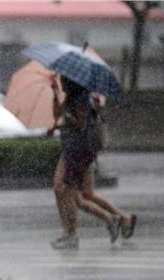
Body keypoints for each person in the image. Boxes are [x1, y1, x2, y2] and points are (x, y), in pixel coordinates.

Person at [48, 75, 136, 249]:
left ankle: (71, 234)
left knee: (66, 191)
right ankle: (117, 218)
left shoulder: (83, 98)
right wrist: (55, 94)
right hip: (76, 149)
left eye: (64, 81)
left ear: (72, 82)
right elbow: (58, 115)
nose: (62, 83)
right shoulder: (77, 97)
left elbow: (80, 124)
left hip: (78, 151)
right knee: (81, 195)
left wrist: (65, 120)